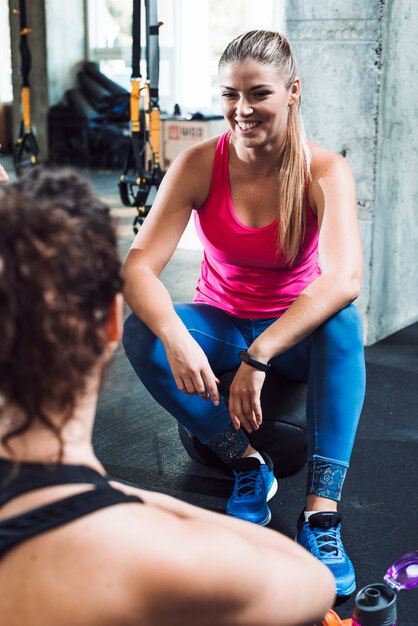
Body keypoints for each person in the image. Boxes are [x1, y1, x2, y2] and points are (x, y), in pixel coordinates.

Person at [0, 168, 335, 626]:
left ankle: (259, 468)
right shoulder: (162, 560)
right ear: (110, 325)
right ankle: (249, 462)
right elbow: (312, 584)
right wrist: (103, 491)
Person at [122, 29, 366, 600]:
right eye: (230, 94)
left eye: (258, 93)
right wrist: (177, 338)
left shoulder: (324, 170)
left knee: (344, 322)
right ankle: (247, 463)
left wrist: (261, 356)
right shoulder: (199, 163)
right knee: (143, 331)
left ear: (293, 92)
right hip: (223, 323)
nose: (242, 110)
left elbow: (344, 279)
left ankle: (320, 514)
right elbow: (137, 269)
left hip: (292, 334)